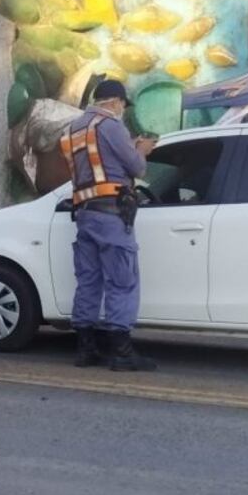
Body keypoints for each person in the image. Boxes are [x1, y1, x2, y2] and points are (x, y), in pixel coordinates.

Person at [59, 80, 158, 371]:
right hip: (112, 215)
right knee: (121, 281)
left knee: (89, 280)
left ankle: (86, 350)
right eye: (123, 106)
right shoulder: (112, 127)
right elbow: (137, 168)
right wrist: (140, 149)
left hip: (86, 214)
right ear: (115, 102)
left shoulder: (73, 129)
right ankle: (122, 352)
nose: (123, 111)